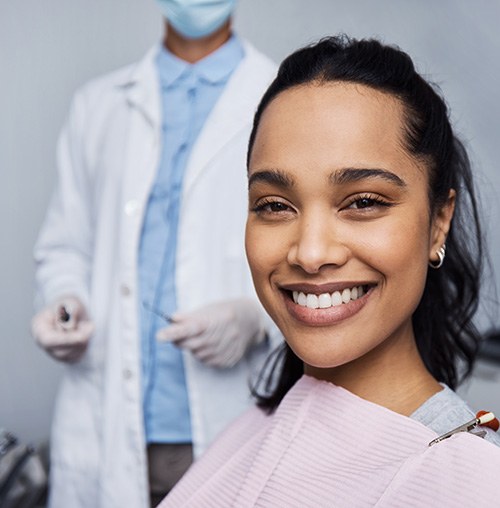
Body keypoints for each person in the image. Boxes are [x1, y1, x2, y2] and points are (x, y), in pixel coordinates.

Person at [160, 35, 500, 507]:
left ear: (438, 222)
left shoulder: (469, 483)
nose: (311, 252)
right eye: (275, 205)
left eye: (364, 202)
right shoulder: (251, 430)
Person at [30, 1, 279, 506]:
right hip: (104, 422)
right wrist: (65, 300)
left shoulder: (281, 99)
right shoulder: (98, 105)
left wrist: (258, 319)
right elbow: (65, 245)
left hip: (223, 423)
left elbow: (311, 248)